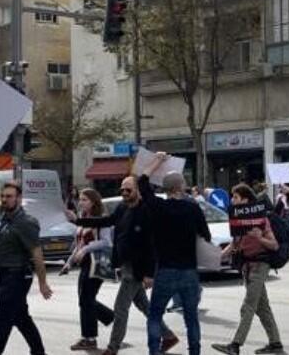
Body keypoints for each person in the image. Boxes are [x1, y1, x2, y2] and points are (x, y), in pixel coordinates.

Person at [68, 176, 179, 355]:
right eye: (122, 190)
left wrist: (149, 274)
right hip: (125, 265)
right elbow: (106, 221)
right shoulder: (122, 207)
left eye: (129, 190)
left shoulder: (146, 211)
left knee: (120, 308)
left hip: (138, 269)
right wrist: (78, 221)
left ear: (138, 190)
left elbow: (152, 245)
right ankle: (168, 336)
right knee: (144, 305)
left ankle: (113, 348)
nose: (125, 193)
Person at [139, 152, 211, 355]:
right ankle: (194, 351)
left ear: (165, 188)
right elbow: (205, 236)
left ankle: (154, 351)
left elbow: (142, 182)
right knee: (191, 318)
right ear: (181, 187)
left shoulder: (157, 207)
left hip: (165, 269)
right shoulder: (193, 209)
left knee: (154, 315)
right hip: (188, 270)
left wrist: (157, 161)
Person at [0, 166, 53, 355]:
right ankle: (39, 352)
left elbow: (37, 254)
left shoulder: (25, 222)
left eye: (9, 196)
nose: (4, 199)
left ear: (19, 199)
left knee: (2, 321)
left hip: (17, 276)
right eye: (4, 196)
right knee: (21, 318)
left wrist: (43, 283)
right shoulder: (6, 216)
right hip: (5, 276)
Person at [212, 184, 283, 355]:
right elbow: (234, 243)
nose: (232, 200)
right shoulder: (238, 221)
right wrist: (217, 257)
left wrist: (259, 237)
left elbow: (274, 245)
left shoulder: (261, 220)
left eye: (235, 197)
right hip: (247, 267)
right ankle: (276, 345)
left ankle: (235, 345)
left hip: (259, 265)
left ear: (245, 200)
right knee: (262, 307)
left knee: (248, 306)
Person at [60, 188, 115, 351]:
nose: (81, 202)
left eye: (85, 200)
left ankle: (89, 338)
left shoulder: (101, 220)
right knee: (85, 300)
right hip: (85, 264)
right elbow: (79, 245)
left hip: (96, 265)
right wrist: (68, 263)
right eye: (80, 199)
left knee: (86, 300)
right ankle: (111, 317)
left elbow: (106, 242)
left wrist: (86, 250)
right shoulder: (83, 219)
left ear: (93, 202)